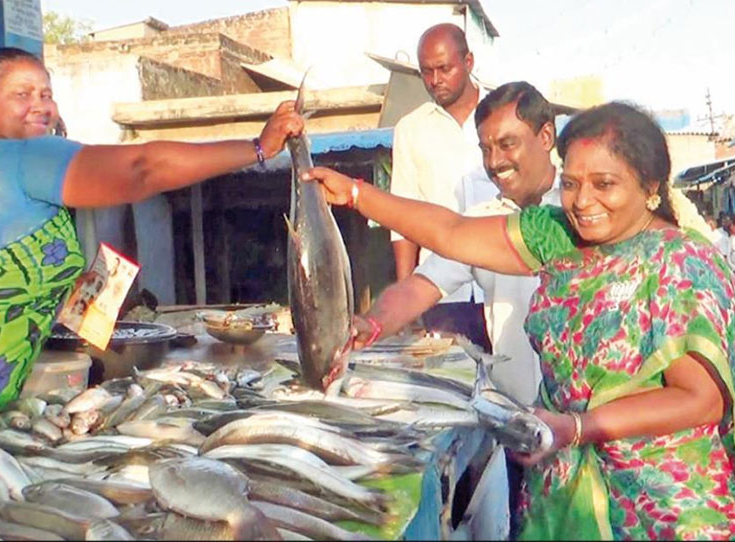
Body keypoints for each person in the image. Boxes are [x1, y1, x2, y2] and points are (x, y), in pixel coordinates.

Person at [306, 102, 735, 539]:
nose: (583, 201)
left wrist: (577, 427)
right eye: (571, 183)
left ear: (651, 188)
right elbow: (453, 233)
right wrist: (357, 194)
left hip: (658, 506)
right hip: (563, 502)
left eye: (605, 184)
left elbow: (701, 399)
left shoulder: (682, 262)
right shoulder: (560, 235)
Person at [0, 47, 303, 409]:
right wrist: (258, 147)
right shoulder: (17, 156)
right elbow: (142, 168)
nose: (40, 105)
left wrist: (76, 296)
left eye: (46, 94)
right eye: (21, 94)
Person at [356, 81, 558, 406]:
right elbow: (421, 285)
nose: (494, 162)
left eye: (508, 145)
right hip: (520, 423)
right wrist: (373, 323)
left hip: (591, 429)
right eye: (486, 149)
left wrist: (357, 195)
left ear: (546, 137)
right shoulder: (482, 222)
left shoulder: (582, 210)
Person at [389, 23, 497, 349]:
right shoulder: (411, 130)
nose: (435, 80)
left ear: (469, 62)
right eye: (426, 72)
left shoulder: (504, 114)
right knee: (452, 387)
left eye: (444, 68)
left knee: (516, 388)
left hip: (508, 288)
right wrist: (407, 298)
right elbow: (402, 219)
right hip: (443, 293)